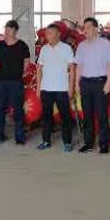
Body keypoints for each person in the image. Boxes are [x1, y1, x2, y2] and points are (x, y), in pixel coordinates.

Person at [75, 17, 110, 154]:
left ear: (95, 28)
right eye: (84, 28)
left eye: (88, 27)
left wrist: (108, 82)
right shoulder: (81, 45)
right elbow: (79, 66)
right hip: (85, 83)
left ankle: (104, 144)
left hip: (100, 83)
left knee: (102, 114)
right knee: (87, 115)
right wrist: (76, 83)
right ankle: (88, 142)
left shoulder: (105, 44)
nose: (85, 30)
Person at [36, 23, 76, 152]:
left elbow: (72, 69)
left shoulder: (66, 48)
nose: (48, 36)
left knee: (65, 116)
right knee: (46, 117)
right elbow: (39, 69)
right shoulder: (44, 49)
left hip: (61, 88)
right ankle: (46, 141)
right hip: (46, 88)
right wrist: (38, 88)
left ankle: (67, 142)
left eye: (50, 33)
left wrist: (71, 87)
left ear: (58, 34)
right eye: (47, 33)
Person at [0, 19, 31, 145]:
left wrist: (20, 73)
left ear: (15, 31)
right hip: (1, 82)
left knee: (18, 109)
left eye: (10, 29)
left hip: (16, 82)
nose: (7, 31)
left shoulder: (22, 45)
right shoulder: (0, 45)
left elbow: (26, 62)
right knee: (0, 109)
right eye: (6, 29)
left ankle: (19, 137)